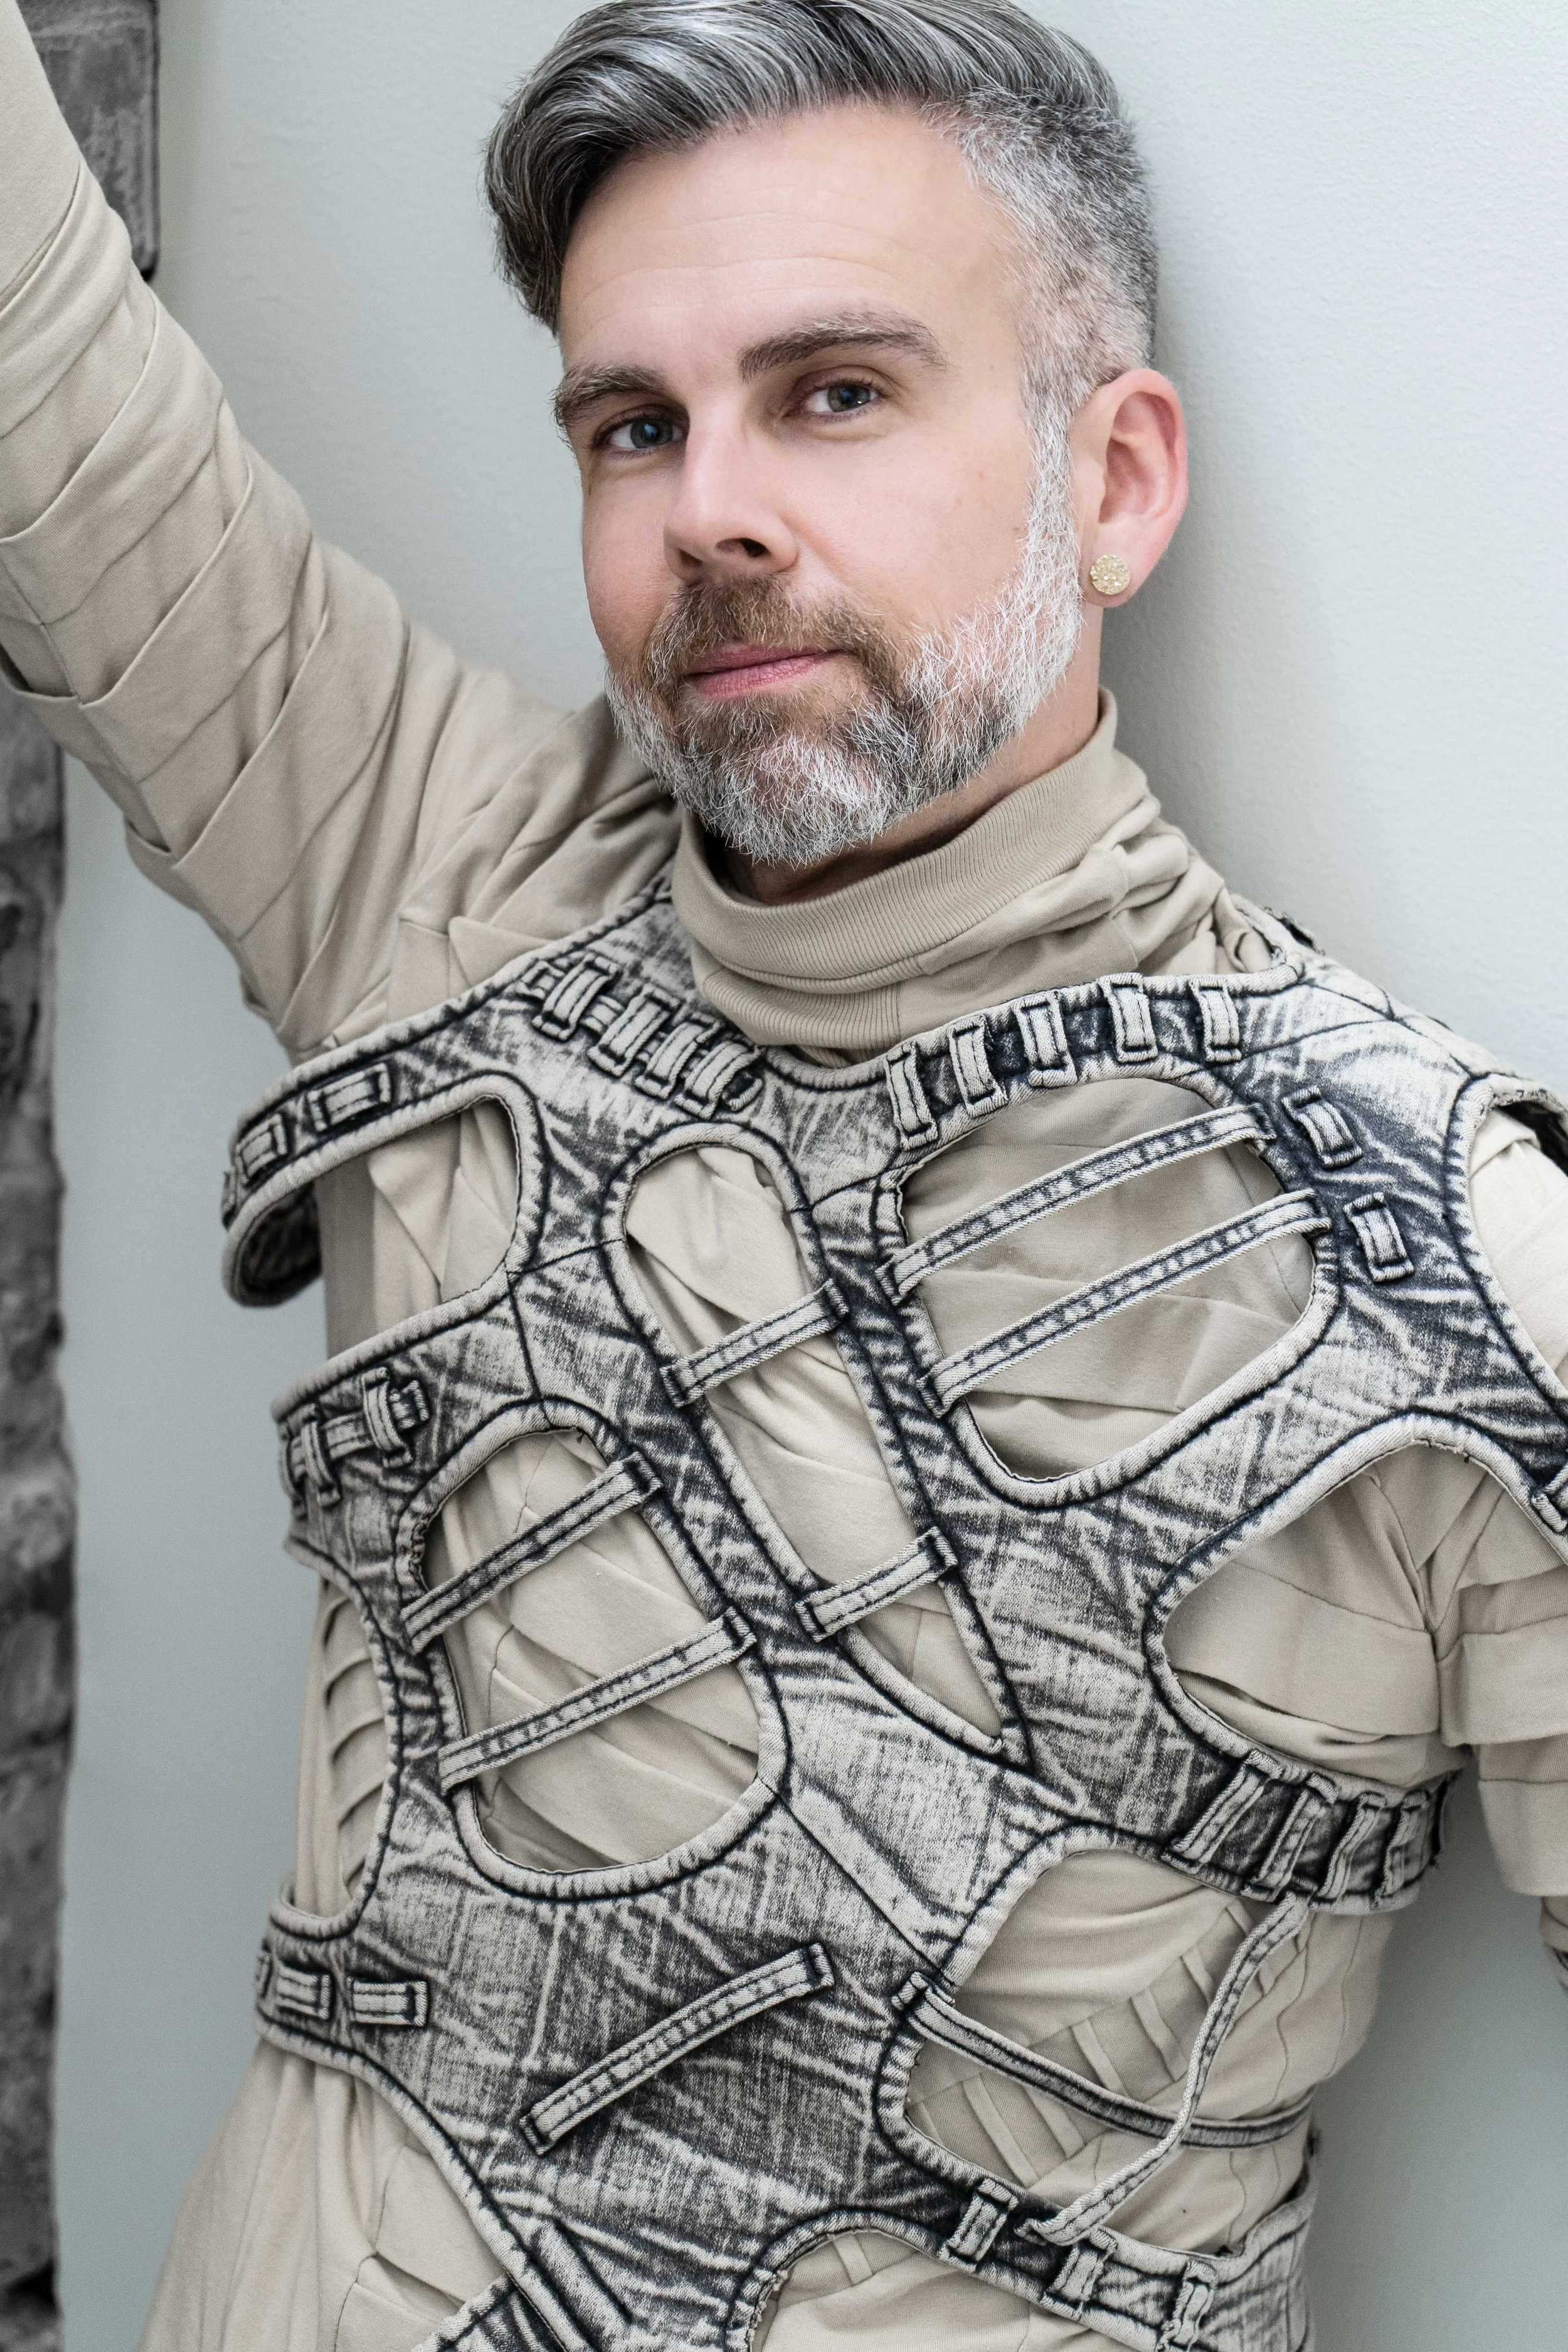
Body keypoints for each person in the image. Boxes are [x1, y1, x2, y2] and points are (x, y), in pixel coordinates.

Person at [3, 1, 1566, 2346]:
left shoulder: (1449, 1256)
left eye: (834, 391)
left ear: (1114, 478)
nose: (707, 510)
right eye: (633, 425)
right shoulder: (428, 876)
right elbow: (44, 381)